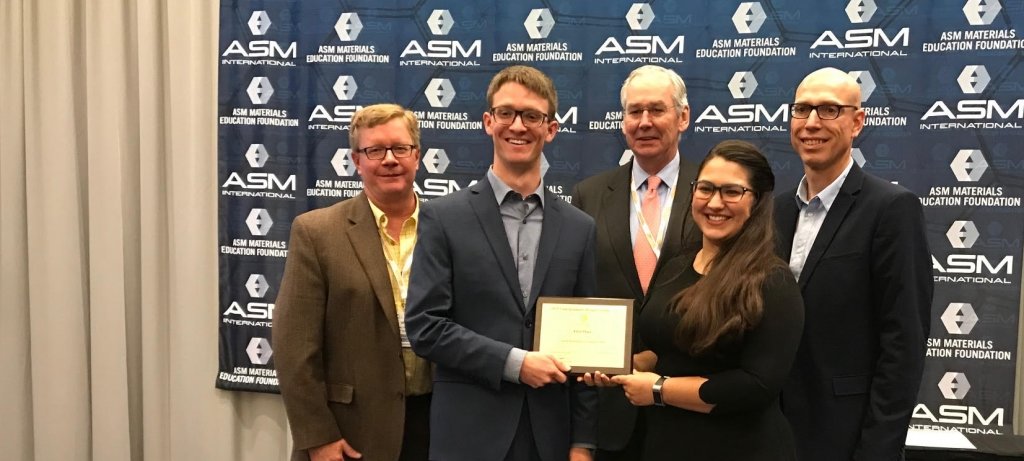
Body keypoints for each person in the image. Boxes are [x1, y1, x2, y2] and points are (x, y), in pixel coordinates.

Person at [405, 65, 597, 461]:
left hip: (550, 438)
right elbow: (425, 327)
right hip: (468, 436)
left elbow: (588, 343)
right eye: (506, 113)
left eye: (532, 116)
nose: (518, 126)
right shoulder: (444, 217)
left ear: (551, 128)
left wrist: (583, 443)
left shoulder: (580, 228)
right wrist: (515, 363)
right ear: (488, 122)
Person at [583, 140, 804, 460]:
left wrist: (659, 390)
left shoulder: (773, 281)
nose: (715, 202)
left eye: (731, 191)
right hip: (666, 443)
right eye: (706, 188)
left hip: (740, 448)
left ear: (755, 202)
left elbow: (756, 386)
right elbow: (667, 349)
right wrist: (620, 366)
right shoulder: (677, 266)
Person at [776, 67, 933, 461]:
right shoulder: (774, 211)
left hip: (845, 437)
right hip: (771, 433)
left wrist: (878, 450)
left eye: (829, 110)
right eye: (802, 110)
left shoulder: (891, 209)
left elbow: (903, 344)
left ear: (857, 122)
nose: (812, 123)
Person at [274, 104, 431, 461]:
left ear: (417, 156)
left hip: (435, 424)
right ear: (356, 161)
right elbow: (294, 347)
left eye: (400, 148)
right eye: (375, 150)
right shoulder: (317, 232)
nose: (389, 159)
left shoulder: (449, 230)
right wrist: (318, 437)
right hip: (350, 432)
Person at [569, 64, 699, 460]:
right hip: (610, 410)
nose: (644, 122)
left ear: (683, 117)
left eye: (657, 110)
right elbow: (578, 292)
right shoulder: (589, 195)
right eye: (634, 112)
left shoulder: (713, 192)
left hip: (690, 408)